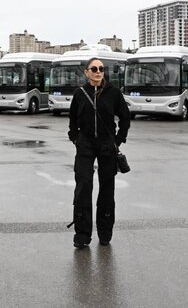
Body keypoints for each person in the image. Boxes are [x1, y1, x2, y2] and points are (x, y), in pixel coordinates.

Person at [68, 57, 130, 248]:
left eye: (101, 69)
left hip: (106, 145)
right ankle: (83, 234)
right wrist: (76, 139)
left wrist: (117, 140)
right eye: (94, 69)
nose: (98, 72)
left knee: (106, 188)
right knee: (83, 187)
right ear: (86, 72)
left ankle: (105, 231)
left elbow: (125, 118)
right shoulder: (80, 94)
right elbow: (72, 121)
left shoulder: (113, 93)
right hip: (85, 144)